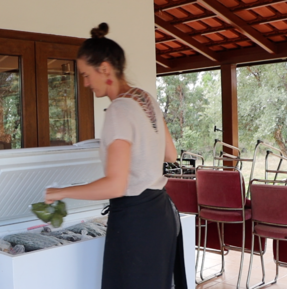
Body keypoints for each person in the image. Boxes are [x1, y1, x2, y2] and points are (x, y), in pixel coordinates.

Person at [44, 23, 186, 289]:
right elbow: (171, 154)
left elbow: (116, 185)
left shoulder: (119, 111)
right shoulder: (147, 99)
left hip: (136, 223)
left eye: (86, 75)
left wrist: (62, 192)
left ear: (105, 69)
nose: (84, 83)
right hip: (161, 216)